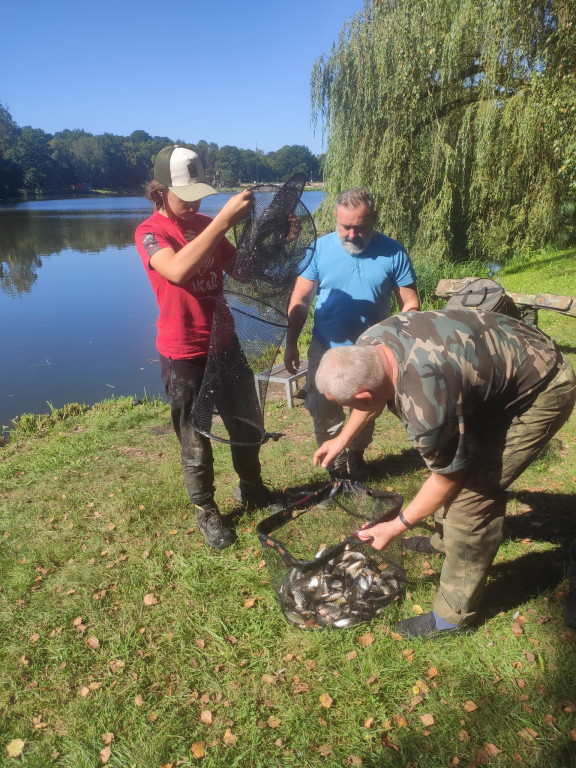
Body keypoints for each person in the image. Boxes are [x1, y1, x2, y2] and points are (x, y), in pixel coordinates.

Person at [312, 310, 576, 637]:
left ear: (363, 395)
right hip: (505, 361)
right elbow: (370, 397)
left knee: (471, 500)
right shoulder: (370, 345)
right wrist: (341, 439)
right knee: (454, 468)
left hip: (543, 388)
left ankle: (451, 618)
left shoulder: (425, 404)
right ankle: (443, 542)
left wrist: (396, 526)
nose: (352, 407)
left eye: (348, 403)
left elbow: (448, 478)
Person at [135, 145, 275, 550]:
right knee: (196, 439)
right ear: (160, 191)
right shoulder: (150, 232)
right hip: (183, 352)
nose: (195, 201)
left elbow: (244, 274)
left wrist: (265, 237)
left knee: (247, 424)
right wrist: (223, 223)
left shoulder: (204, 222)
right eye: (186, 193)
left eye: (198, 192)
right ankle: (206, 510)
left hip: (225, 342)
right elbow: (177, 271)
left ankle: (252, 487)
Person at [284, 186, 419, 482]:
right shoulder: (318, 249)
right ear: (335, 216)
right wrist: (291, 343)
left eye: (360, 228)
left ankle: (356, 455)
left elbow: (410, 303)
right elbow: (301, 299)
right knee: (323, 409)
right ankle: (334, 469)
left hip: (371, 354)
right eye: (345, 226)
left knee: (368, 405)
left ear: (374, 219)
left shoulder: (393, 251)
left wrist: (398, 342)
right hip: (325, 347)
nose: (351, 235)